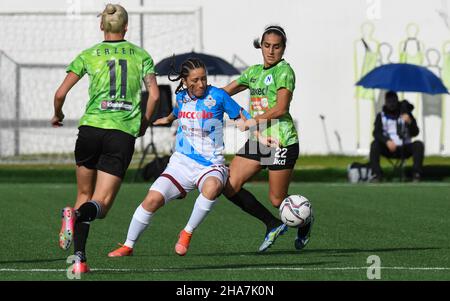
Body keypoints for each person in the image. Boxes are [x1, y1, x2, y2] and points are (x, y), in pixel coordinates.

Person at [52, 4, 160, 273]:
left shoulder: (89, 54)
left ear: (102, 26)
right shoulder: (141, 55)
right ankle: (75, 216)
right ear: (126, 27)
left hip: (89, 131)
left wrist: (58, 114)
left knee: (84, 194)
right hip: (120, 133)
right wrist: (144, 123)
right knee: (101, 204)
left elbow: (59, 94)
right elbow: (155, 96)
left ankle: (79, 260)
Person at [108, 57, 252, 257]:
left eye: (204, 78)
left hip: (210, 165)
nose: (201, 84)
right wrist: (166, 119)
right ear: (184, 81)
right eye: (195, 80)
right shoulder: (182, 97)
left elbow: (242, 116)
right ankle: (128, 245)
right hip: (181, 164)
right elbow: (176, 112)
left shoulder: (218, 95)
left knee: (212, 188)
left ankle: (187, 232)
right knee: (151, 200)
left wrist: (257, 131)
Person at [222, 25, 314, 252]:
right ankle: (272, 224)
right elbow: (222, 93)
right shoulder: (253, 72)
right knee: (228, 185)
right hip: (260, 141)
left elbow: (281, 108)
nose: (271, 51)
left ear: (283, 48)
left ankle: (306, 219)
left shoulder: (284, 71)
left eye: (276, 46)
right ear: (260, 46)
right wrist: (196, 92)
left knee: (277, 200)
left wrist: (253, 121)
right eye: (267, 46)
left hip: (282, 141)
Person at [369, 91, 424, 182]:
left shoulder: (406, 114)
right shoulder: (381, 116)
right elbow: (376, 133)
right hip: (389, 148)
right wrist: (387, 141)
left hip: (404, 147)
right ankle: (376, 174)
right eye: (389, 102)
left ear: (397, 101)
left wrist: (410, 122)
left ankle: (416, 174)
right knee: (374, 145)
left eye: (393, 101)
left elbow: (415, 132)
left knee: (418, 145)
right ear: (385, 102)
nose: (391, 104)